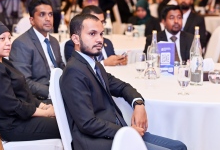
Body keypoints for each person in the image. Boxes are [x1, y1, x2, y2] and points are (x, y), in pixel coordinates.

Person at [60, 13, 187, 150]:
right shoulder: (74, 71)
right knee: (177, 148)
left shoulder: (93, 65)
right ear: (75, 38)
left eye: (101, 34)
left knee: (178, 146)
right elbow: (87, 123)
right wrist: (127, 132)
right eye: (92, 34)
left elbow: (122, 87)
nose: (99, 39)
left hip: (116, 134)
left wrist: (138, 103)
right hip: (99, 142)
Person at [0, 21, 60, 141]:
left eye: (9, 38)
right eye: (2, 39)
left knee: (66, 117)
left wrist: (42, 105)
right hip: (13, 125)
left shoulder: (1, 61)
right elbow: (11, 105)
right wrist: (46, 113)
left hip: (21, 118)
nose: (8, 42)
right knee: (67, 124)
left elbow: (22, 92)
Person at [9, 0, 65, 103]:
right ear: (32, 20)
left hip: (60, 91)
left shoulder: (53, 41)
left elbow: (60, 66)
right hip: (40, 98)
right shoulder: (22, 43)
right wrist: (53, 92)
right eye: (42, 14)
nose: (48, 18)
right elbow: (24, 81)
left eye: (50, 14)